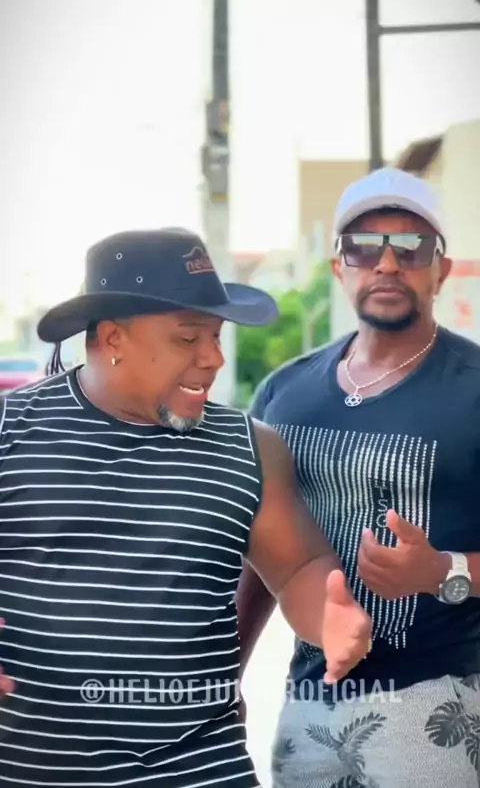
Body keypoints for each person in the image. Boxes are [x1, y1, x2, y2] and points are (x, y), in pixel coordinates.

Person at [0, 226, 372, 788]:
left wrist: (330, 614)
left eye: (216, 336)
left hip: (201, 769)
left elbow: (298, 566)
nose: (214, 358)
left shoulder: (251, 448)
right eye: (187, 338)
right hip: (36, 771)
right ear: (113, 337)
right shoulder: (11, 432)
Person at [237, 167, 480, 788]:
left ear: (441, 271)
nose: (387, 264)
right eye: (364, 247)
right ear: (338, 268)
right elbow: (260, 561)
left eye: (412, 248)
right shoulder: (283, 394)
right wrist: (223, 679)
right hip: (311, 704)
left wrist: (443, 570)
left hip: (442, 701)